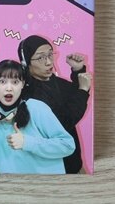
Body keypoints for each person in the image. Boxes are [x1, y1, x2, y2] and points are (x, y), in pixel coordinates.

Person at [0, 60, 75, 174]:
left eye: (15, 82)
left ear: (22, 84)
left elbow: (67, 145)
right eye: (2, 81)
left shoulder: (36, 108)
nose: (9, 88)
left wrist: (27, 142)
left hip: (47, 183)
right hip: (13, 184)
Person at [18, 35, 92, 173]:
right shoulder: (29, 94)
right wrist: (83, 90)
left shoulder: (54, 81)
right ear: (25, 62)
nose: (48, 62)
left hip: (74, 164)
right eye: (41, 58)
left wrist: (78, 71)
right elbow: (63, 123)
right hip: (52, 169)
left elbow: (72, 95)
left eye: (50, 55)